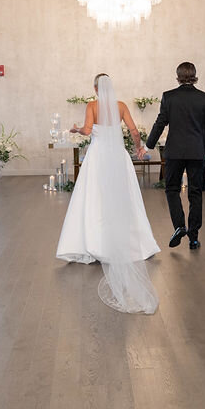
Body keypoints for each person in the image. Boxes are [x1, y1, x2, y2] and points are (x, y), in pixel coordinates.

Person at [56, 74, 159, 314]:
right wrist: (138, 148)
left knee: (95, 199)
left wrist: (76, 128)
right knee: (125, 199)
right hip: (118, 157)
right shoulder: (121, 106)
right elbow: (134, 131)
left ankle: (94, 242)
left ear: (94, 88)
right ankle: (134, 243)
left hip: (98, 156)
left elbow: (88, 130)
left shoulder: (92, 105)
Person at [147, 62, 205, 250]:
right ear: (195, 75)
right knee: (195, 192)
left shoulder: (169, 97)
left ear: (177, 76)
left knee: (172, 189)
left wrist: (149, 144)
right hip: (196, 151)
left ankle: (179, 226)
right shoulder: (204, 98)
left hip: (174, 151)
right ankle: (193, 237)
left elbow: (161, 121)